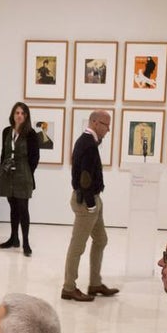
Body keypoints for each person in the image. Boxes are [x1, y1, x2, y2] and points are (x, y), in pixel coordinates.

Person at [62, 110, 118, 302]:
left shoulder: (89, 142)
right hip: (87, 202)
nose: (108, 130)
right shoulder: (87, 144)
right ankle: (69, 287)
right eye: (106, 125)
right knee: (77, 246)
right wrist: (92, 203)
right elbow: (85, 177)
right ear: (94, 122)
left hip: (92, 200)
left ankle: (95, 283)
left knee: (101, 239)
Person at [0, 102, 41, 256]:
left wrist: (27, 172)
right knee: (13, 206)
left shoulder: (31, 134)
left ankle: (26, 243)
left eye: (22, 113)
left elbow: (35, 157)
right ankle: (13, 238)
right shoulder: (6, 132)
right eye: (17, 113)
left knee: (23, 208)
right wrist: (2, 169)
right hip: (8, 174)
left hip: (23, 173)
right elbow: (4, 152)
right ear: (13, 115)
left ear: (26, 116)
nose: (19, 116)